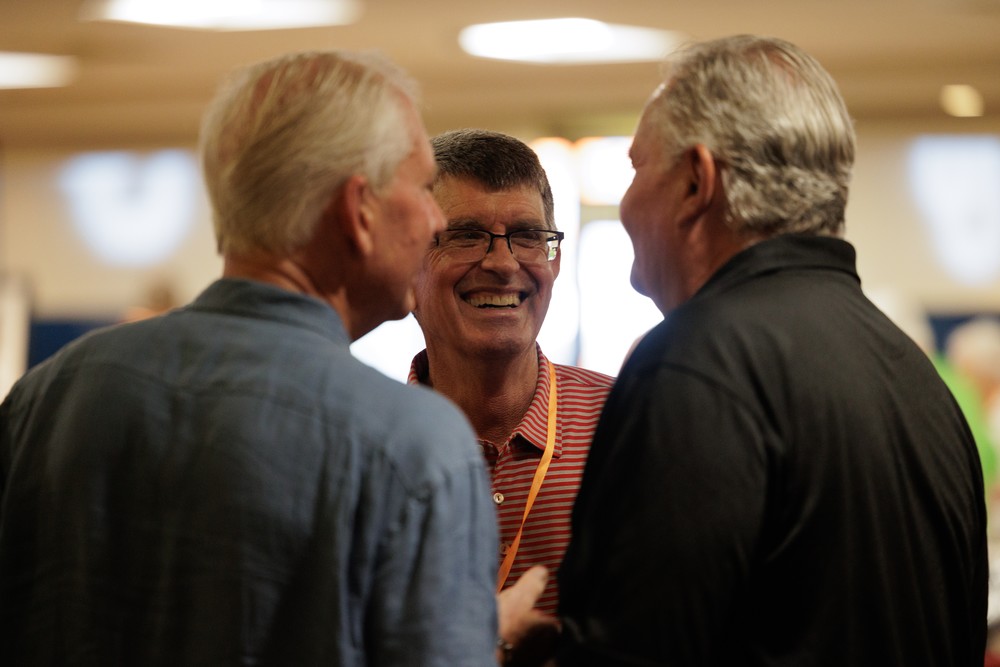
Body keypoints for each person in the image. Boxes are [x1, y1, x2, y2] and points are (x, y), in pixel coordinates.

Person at [0, 50, 549, 666]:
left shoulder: (48, 396)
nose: (431, 222)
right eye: (423, 190)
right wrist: (480, 637)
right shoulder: (410, 444)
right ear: (358, 211)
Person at [556, 35, 988, 666]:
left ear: (696, 182)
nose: (624, 204)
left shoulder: (693, 363)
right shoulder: (917, 377)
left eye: (636, 168)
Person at [408, 129, 615, 615]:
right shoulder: (366, 445)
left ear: (554, 261)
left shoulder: (627, 423)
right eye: (466, 235)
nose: (503, 264)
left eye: (528, 237)